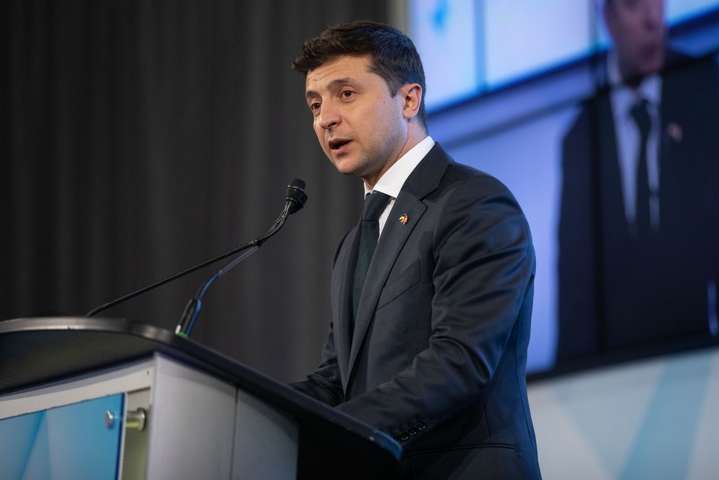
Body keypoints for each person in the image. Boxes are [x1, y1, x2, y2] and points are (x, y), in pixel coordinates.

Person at [291, 21, 541, 479]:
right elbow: (336, 379)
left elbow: (459, 361)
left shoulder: (474, 204)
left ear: (408, 100)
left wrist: (336, 432)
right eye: (315, 104)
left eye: (346, 94)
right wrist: (256, 415)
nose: (326, 118)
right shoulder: (353, 244)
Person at [558, 0, 719, 361]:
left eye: (658, 1)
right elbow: (574, 291)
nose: (652, 20)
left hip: (702, 356)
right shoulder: (579, 137)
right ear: (608, 17)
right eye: (634, 5)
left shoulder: (703, 85)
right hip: (618, 368)